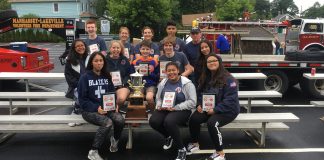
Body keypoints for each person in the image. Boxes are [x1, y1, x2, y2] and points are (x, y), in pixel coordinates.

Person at [186, 54, 240, 160]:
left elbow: (230, 100)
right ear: (206, 65)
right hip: (209, 108)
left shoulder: (229, 79)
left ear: (219, 62)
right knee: (194, 119)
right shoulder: (205, 77)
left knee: (212, 123)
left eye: (214, 60)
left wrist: (215, 110)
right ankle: (195, 143)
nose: (211, 63)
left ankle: (220, 153)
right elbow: (200, 93)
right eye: (209, 62)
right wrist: (199, 105)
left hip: (227, 110)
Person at [78, 52, 125, 160]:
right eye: (96, 61)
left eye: (101, 60)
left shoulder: (107, 76)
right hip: (89, 110)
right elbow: (82, 100)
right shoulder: (85, 77)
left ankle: (115, 139)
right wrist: (96, 108)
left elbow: (112, 92)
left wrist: (114, 105)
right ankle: (93, 151)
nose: (99, 63)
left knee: (120, 120)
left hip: (106, 108)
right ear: (91, 62)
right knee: (107, 123)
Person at [149, 62, 197, 160]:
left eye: (173, 70)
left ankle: (181, 149)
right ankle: (168, 136)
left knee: (169, 121)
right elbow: (158, 98)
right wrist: (159, 106)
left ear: (178, 71)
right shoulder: (163, 83)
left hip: (183, 109)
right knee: (153, 121)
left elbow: (192, 102)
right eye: (169, 71)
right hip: (166, 108)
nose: (171, 72)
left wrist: (176, 107)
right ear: (166, 72)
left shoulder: (187, 83)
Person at [64, 39, 89, 127]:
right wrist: (80, 85)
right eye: (77, 46)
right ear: (74, 48)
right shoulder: (70, 60)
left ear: (85, 46)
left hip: (89, 86)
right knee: (80, 92)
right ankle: (77, 112)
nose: (80, 47)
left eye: (82, 45)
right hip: (75, 86)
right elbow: (68, 76)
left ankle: (76, 112)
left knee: (84, 92)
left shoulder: (90, 58)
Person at [132, 40, 159, 111]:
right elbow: (131, 75)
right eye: (143, 49)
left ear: (150, 51)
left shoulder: (154, 62)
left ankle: (153, 111)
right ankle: (139, 113)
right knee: (137, 97)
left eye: (147, 49)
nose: (145, 51)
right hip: (139, 85)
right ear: (140, 50)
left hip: (150, 85)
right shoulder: (135, 62)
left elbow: (157, 77)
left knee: (149, 98)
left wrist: (150, 73)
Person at [106, 40, 131, 113]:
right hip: (108, 85)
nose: (116, 50)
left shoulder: (125, 59)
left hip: (122, 86)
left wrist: (123, 83)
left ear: (121, 49)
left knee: (121, 98)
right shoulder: (104, 59)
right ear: (110, 48)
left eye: (118, 48)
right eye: (113, 48)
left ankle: (115, 109)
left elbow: (128, 74)